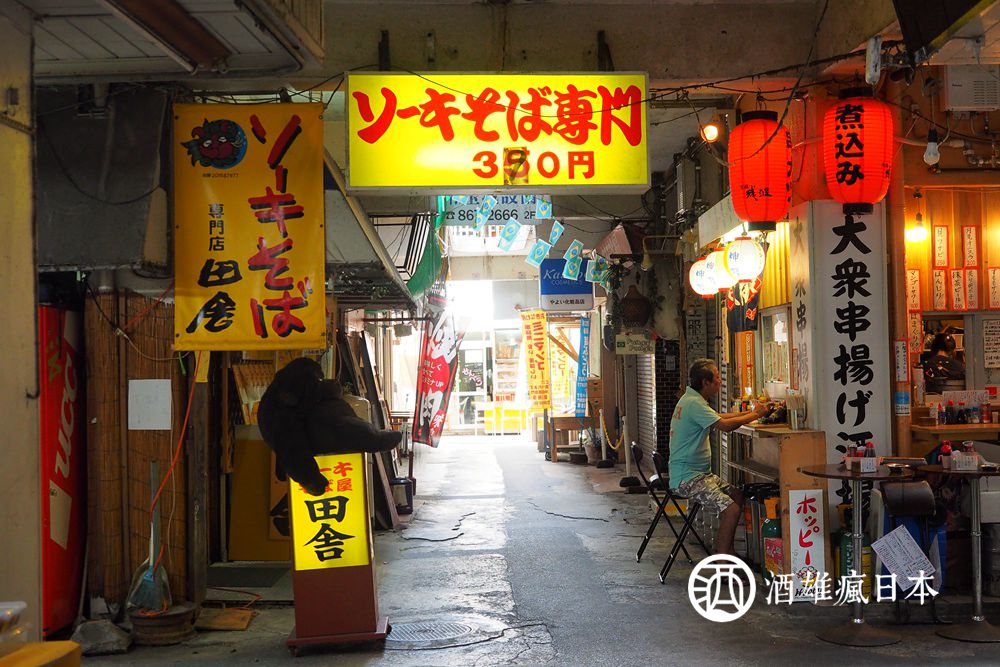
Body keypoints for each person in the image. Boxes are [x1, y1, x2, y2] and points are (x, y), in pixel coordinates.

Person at [668, 358, 771, 556]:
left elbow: (719, 417)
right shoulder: (694, 404)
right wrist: (756, 415)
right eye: (716, 377)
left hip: (698, 475)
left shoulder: (692, 400)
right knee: (731, 509)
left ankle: (727, 548)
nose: (720, 381)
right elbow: (725, 426)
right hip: (688, 478)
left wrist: (749, 413)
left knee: (737, 495)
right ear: (705, 382)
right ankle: (723, 560)